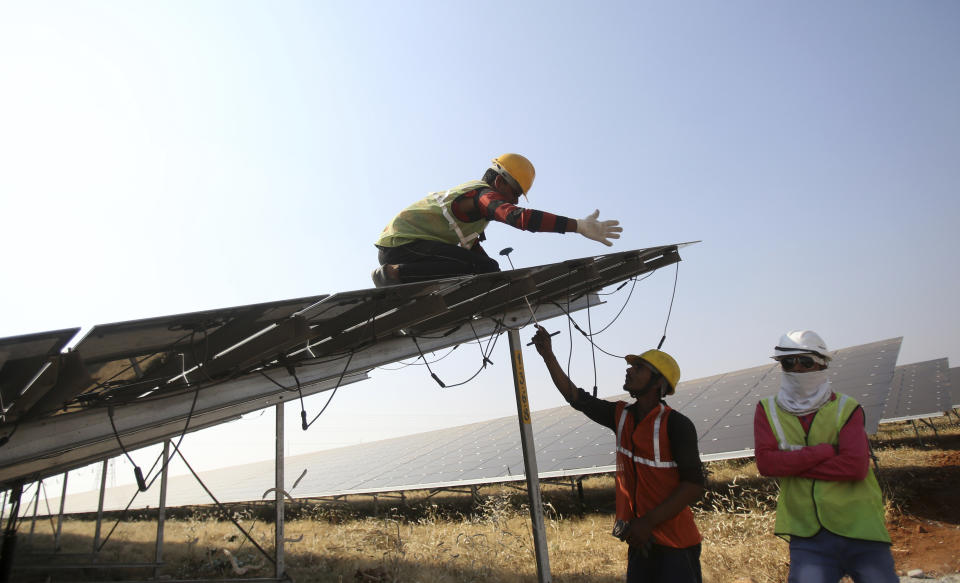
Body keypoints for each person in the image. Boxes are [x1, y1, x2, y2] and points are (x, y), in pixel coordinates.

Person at [531, 325, 705, 583]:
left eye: (639, 368)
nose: (629, 370)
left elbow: (694, 485)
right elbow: (576, 397)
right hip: (640, 541)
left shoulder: (676, 425)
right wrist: (548, 357)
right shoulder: (622, 416)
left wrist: (647, 522)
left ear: (659, 382)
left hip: (676, 546)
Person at [753, 330, 898, 583]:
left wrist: (790, 464)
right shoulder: (767, 410)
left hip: (860, 527)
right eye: (789, 362)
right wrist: (823, 452)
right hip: (808, 534)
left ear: (822, 364)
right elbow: (766, 464)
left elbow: (854, 467)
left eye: (805, 362)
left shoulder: (846, 407)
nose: (797, 368)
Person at [372, 153, 622, 287]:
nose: (513, 201)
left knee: (486, 268)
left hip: (407, 245)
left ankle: (402, 278)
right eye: (514, 193)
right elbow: (519, 218)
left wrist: (496, 277)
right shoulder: (481, 196)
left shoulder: (472, 199)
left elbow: (468, 249)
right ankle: (394, 275)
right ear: (500, 181)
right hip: (402, 247)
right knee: (482, 268)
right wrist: (577, 226)